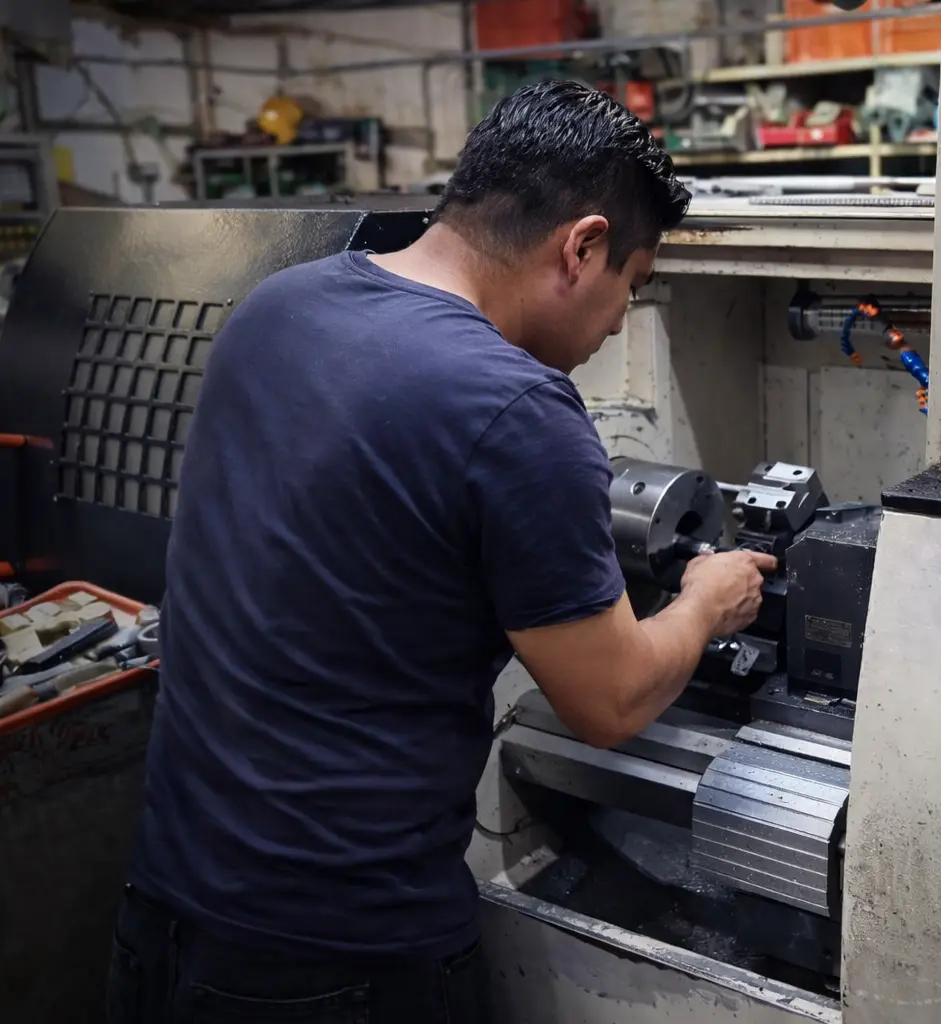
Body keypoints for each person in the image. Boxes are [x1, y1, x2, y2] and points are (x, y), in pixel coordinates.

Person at [107, 80, 775, 1023]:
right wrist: (705, 599)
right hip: (340, 961)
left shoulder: (278, 306)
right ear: (582, 246)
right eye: (633, 285)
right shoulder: (517, 411)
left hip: (165, 908)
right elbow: (612, 702)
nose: (621, 320)